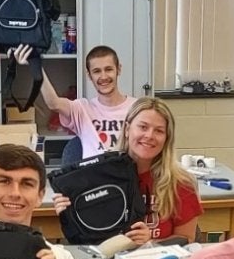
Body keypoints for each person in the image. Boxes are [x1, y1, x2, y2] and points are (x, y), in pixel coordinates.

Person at [51, 96, 202, 246]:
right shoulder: (100, 174)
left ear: (167, 138)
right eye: (143, 127)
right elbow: (83, 238)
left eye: (159, 131)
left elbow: (187, 238)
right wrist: (69, 214)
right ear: (128, 129)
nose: (149, 135)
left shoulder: (181, 184)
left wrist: (150, 243)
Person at [14, 43, 135, 158]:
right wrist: (35, 66)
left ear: (118, 69)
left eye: (108, 69)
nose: (103, 76)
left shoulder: (137, 108)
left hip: (126, 171)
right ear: (89, 75)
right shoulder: (81, 108)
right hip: (92, 172)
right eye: (97, 71)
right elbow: (53, 103)